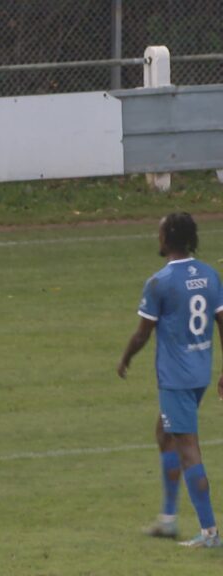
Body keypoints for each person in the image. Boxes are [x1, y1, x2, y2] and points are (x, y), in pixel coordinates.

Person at [118, 212, 223, 548]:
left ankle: (209, 533)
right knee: (165, 434)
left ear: (167, 239)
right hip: (199, 373)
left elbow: (142, 334)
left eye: (159, 232)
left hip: (175, 379)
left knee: (188, 449)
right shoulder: (209, 275)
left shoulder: (159, 283)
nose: (157, 237)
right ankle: (167, 520)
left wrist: (125, 358)